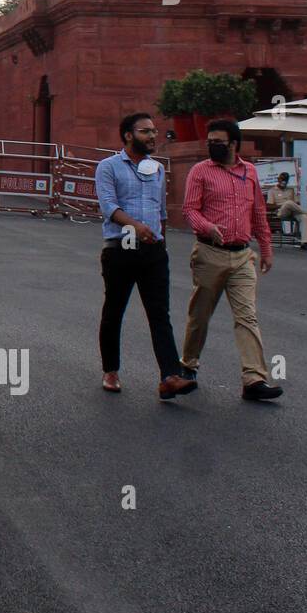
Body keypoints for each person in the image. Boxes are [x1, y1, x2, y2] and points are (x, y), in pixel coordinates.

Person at [180, 119, 281, 401]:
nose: (212, 145)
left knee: (247, 316)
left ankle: (253, 379)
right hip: (209, 251)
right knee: (200, 315)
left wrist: (267, 248)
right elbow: (189, 210)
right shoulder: (200, 171)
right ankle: (188, 365)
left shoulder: (249, 172)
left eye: (218, 141)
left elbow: (258, 212)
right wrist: (206, 226)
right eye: (209, 141)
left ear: (233, 144)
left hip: (242, 256)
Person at [94, 112, 193, 399]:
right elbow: (108, 207)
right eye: (146, 131)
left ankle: (170, 376)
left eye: (154, 131)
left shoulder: (157, 170)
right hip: (120, 248)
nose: (153, 136)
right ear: (128, 135)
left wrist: (159, 240)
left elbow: (160, 211)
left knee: (160, 314)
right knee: (114, 311)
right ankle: (111, 370)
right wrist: (136, 227)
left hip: (153, 251)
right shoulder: (108, 167)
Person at [264, 171, 307, 250]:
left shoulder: (291, 190)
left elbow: (295, 203)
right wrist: (282, 205)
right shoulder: (272, 190)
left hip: (293, 211)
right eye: (282, 179)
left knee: (304, 217)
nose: (284, 182)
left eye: (285, 180)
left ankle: (304, 243)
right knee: (288, 203)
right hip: (281, 211)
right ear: (278, 179)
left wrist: (294, 204)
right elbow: (269, 206)